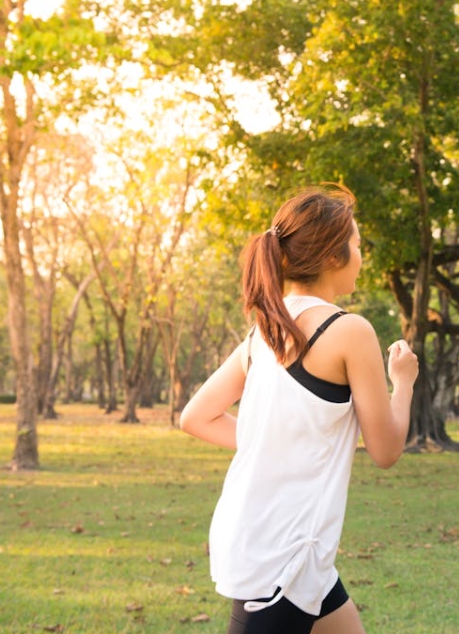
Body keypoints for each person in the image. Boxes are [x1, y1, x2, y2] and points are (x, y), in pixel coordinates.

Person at [179, 184, 419, 634]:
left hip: (289, 547)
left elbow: (196, 417)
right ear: (333, 256)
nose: (361, 258)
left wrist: (274, 441)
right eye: (357, 246)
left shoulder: (264, 332)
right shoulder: (350, 331)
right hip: (282, 558)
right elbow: (386, 450)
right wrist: (403, 383)